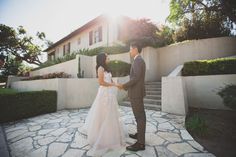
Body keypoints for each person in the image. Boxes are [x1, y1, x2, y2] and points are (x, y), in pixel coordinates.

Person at [83, 53, 126, 156]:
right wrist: (113, 84)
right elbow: (101, 82)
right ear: (103, 59)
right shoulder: (100, 68)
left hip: (110, 93)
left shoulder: (107, 68)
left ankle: (111, 135)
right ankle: (101, 136)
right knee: (103, 113)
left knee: (111, 113)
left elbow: (110, 80)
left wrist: (116, 85)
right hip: (104, 94)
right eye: (107, 57)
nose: (108, 58)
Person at [117, 41, 146, 151]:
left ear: (135, 49)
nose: (129, 51)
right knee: (139, 116)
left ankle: (141, 143)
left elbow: (136, 78)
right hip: (136, 92)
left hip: (136, 93)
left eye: (130, 49)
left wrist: (123, 86)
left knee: (140, 117)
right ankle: (140, 135)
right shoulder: (138, 60)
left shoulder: (138, 61)